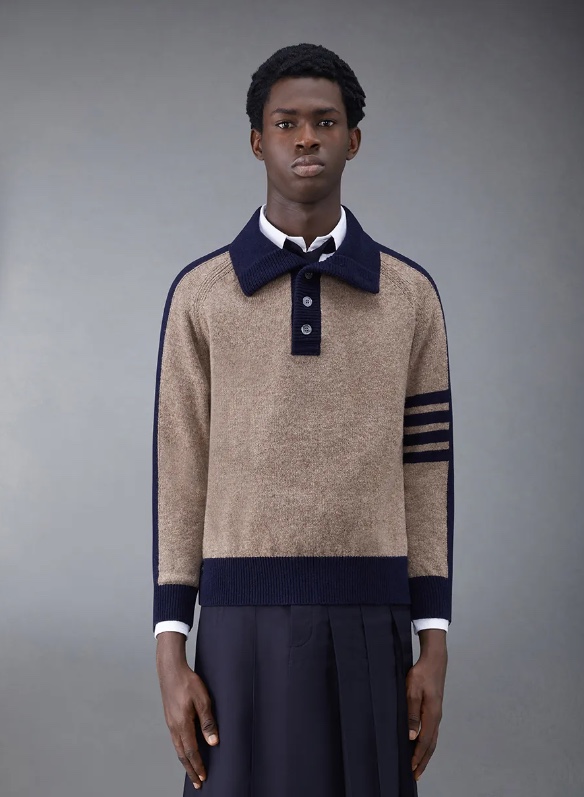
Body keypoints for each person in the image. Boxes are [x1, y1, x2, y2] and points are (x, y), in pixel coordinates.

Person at [152, 42, 454, 797]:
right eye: (286, 123)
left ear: (354, 139)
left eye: (326, 121)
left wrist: (434, 638)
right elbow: (179, 471)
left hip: (374, 615)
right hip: (235, 621)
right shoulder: (201, 294)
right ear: (258, 141)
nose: (307, 138)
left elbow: (427, 472)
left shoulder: (410, 295)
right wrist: (170, 645)